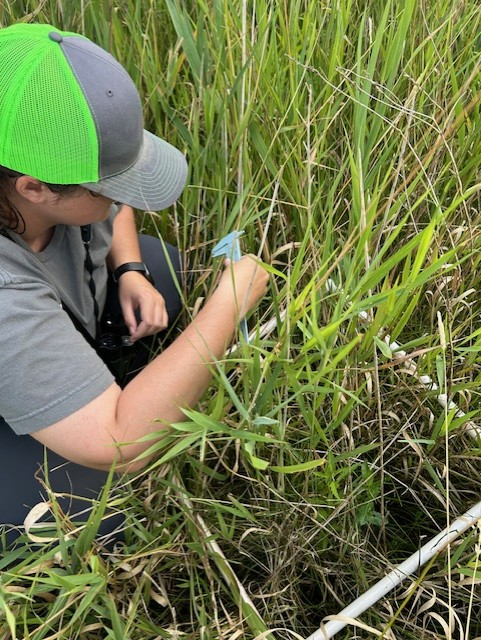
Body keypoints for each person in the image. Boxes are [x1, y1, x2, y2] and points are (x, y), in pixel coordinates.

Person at [0, 23, 269, 544]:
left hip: (46, 312)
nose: (126, 199)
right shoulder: (6, 292)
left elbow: (117, 211)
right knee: (87, 515)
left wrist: (129, 270)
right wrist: (228, 306)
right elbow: (119, 442)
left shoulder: (28, 178)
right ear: (33, 188)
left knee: (163, 267)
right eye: (110, 187)